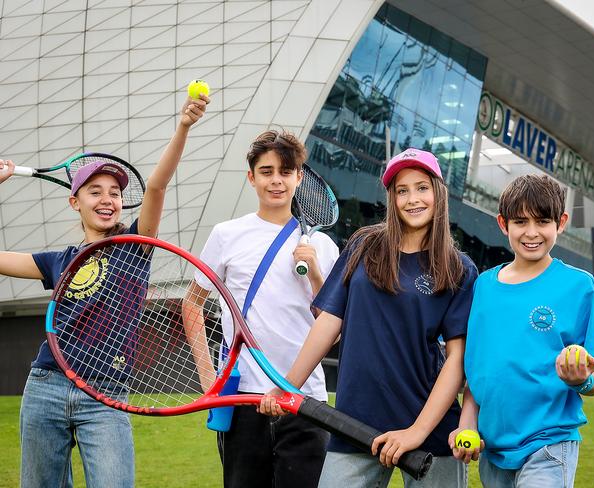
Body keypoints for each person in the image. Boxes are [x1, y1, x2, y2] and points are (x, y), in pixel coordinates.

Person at [0, 93, 208, 488]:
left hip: (106, 393)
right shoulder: (57, 260)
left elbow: (158, 188)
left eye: (114, 192)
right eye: (95, 191)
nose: (107, 199)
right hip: (46, 385)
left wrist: (183, 126)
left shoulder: (135, 246)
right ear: (74, 202)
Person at [261, 148, 477, 488]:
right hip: (355, 422)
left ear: (438, 192)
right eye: (402, 191)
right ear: (391, 198)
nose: (413, 199)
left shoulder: (459, 268)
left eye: (422, 187)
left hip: (431, 430)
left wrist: (416, 432)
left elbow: (457, 359)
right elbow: (329, 321)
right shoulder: (364, 246)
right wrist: (288, 385)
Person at [182, 130, 339, 488]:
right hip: (243, 399)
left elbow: (332, 327)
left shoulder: (323, 245)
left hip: (304, 400)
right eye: (266, 171)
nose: (276, 180)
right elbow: (192, 302)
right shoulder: (226, 234)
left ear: (299, 177)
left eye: (285, 171)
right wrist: (210, 380)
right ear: (251, 178)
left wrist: (315, 273)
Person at [449, 174, 594, 488]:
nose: (531, 233)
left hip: (549, 444)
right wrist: (466, 423)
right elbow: (477, 372)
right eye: (520, 222)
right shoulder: (483, 286)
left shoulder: (580, 287)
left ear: (561, 223)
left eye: (542, 221)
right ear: (503, 224)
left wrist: (581, 380)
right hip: (492, 447)